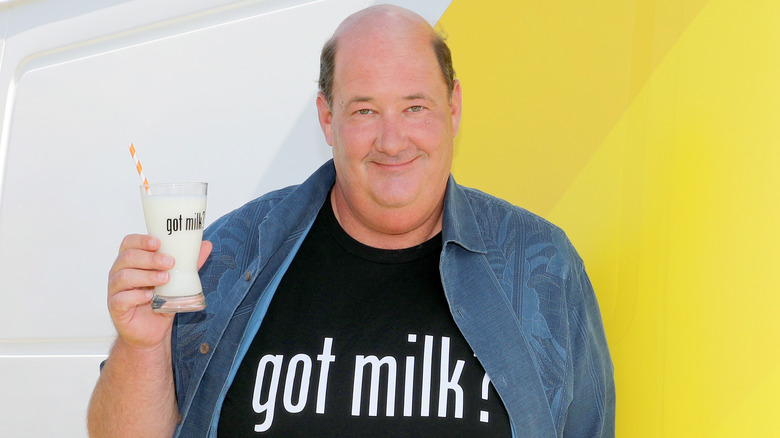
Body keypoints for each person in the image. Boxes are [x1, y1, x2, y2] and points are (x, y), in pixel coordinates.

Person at [88, 5, 615, 437]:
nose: (392, 141)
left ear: (453, 108)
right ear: (327, 117)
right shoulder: (229, 255)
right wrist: (142, 345)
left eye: (415, 107)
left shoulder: (542, 266)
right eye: (364, 110)